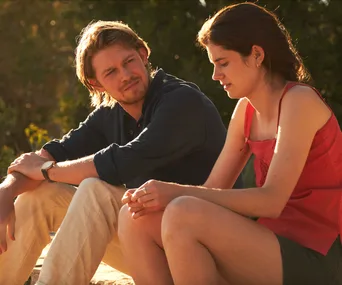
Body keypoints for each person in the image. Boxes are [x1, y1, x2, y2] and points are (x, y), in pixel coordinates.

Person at [0, 20, 241, 285]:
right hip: (149, 246)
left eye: (128, 62)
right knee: (40, 195)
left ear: (143, 54)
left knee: (96, 190)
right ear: (96, 84)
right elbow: (50, 155)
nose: (125, 75)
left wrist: (47, 171)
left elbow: (125, 161)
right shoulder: (110, 114)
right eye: (111, 72)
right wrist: (7, 191)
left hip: (207, 254)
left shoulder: (181, 101)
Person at [118, 3, 342, 285]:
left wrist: (174, 193)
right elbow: (213, 190)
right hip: (267, 243)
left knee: (182, 211)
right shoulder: (245, 111)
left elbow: (271, 201)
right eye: (213, 65)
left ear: (257, 55)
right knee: (134, 217)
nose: (216, 75)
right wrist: (155, 197)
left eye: (223, 63)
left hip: (317, 256)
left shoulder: (299, 101)